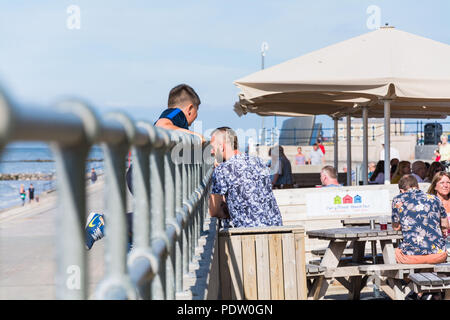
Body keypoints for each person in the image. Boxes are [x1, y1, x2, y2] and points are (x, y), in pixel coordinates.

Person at [85, 84, 204, 250]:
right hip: (144, 174)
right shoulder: (177, 115)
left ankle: (128, 242)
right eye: (195, 117)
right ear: (190, 108)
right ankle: (102, 222)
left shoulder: (180, 124)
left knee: (160, 215)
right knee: (163, 216)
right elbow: (161, 126)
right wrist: (196, 136)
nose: (193, 123)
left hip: (144, 174)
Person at [209, 127, 283, 228]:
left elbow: (214, 211)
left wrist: (225, 214)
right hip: (277, 229)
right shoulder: (259, 161)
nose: (212, 152)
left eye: (213, 148)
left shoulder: (222, 170)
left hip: (248, 236)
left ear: (222, 147)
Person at [392, 174, 448, 265]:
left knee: (396, 252)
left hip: (411, 257)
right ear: (417, 186)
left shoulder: (398, 199)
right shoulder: (435, 199)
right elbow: (445, 225)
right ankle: (421, 277)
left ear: (401, 190)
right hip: (438, 255)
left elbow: (396, 227)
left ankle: (407, 279)